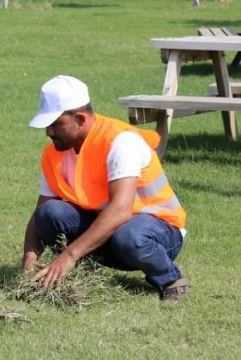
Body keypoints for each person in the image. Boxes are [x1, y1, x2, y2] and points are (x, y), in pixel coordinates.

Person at [22, 75, 189, 301]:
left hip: (157, 232)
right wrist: (28, 264)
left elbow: (121, 211)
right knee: (49, 213)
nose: (48, 133)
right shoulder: (55, 153)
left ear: (80, 118)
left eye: (55, 124)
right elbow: (40, 214)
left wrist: (68, 256)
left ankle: (169, 278)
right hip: (109, 230)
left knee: (129, 236)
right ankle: (86, 274)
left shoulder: (121, 142)